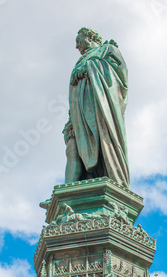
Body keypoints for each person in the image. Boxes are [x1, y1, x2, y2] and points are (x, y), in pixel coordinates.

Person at [64, 27, 130, 187]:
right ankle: (68, 191)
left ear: (90, 37)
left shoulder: (107, 49)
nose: (77, 46)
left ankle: (112, 180)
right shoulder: (81, 60)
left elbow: (122, 75)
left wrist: (91, 66)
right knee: (73, 148)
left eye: (79, 41)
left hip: (101, 108)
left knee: (104, 141)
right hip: (78, 113)